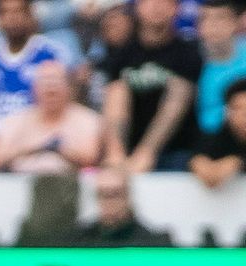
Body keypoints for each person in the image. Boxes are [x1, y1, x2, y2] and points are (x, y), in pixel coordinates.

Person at [102, 0, 202, 172]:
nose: (157, 7)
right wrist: (116, 152)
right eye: (149, 2)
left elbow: (175, 105)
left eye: (165, 2)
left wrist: (146, 153)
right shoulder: (122, 54)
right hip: (129, 149)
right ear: (137, 8)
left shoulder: (188, 52)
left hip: (177, 150)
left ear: (176, 8)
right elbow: (115, 102)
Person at [0, 0, 68, 143]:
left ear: (30, 16)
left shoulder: (50, 54)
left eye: (17, 12)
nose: (11, 18)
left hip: (35, 138)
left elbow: (60, 106)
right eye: (5, 13)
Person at [0, 60, 104, 172]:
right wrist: (37, 147)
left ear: (70, 88)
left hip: (71, 185)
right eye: (45, 83)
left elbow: (91, 157)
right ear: (34, 89)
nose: (50, 89)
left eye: (56, 83)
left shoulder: (88, 119)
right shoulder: (14, 121)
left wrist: (58, 149)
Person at [70, 166, 173, 245]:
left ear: (128, 196)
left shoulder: (153, 243)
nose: (109, 202)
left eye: (115, 194)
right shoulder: (77, 241)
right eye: (103, 194)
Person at [194, 0, 246, 136]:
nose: (212, 26)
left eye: (220, 18)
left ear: (236, 22)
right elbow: (205, 121)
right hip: (214, 140)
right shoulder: (192, 62)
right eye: (205, 19)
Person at [189, 77, 246, 189]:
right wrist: (200, 163)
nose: (243, 116)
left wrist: (237, 163)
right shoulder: (217, 137)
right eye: (237, 108)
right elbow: (199, 158)